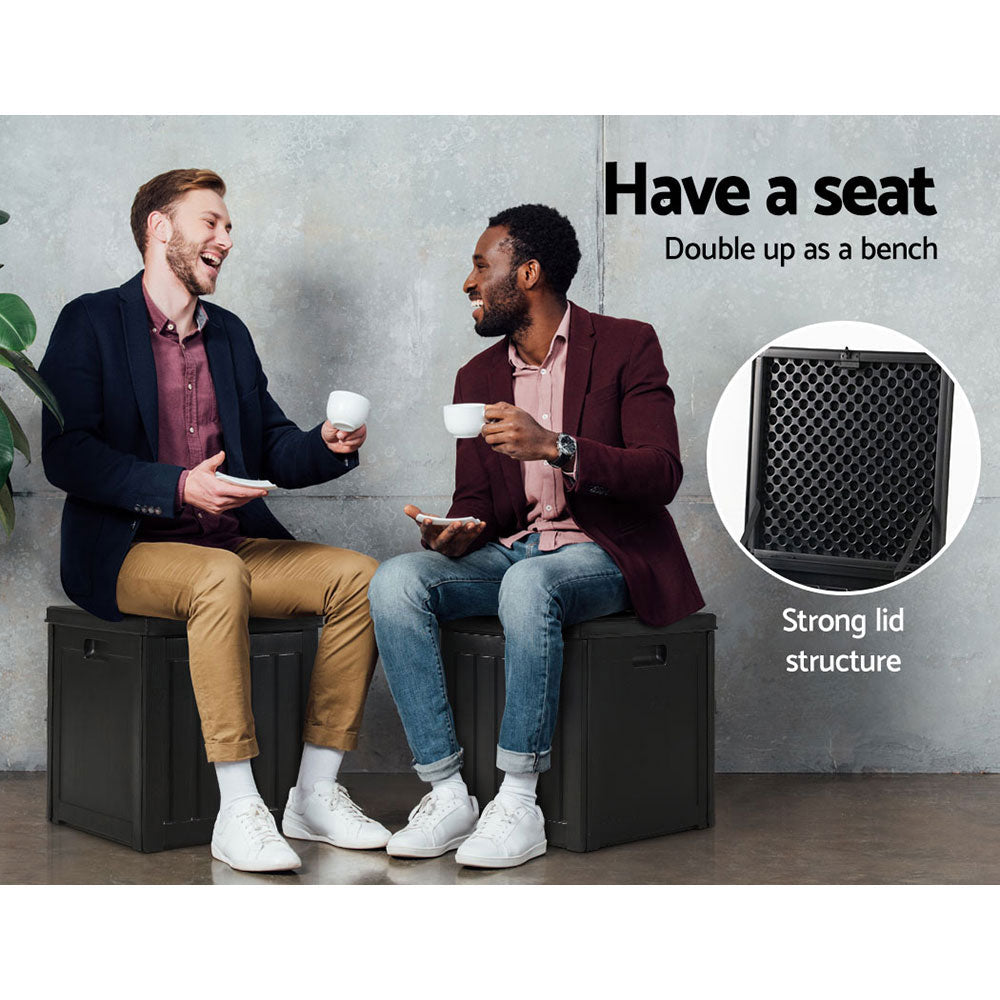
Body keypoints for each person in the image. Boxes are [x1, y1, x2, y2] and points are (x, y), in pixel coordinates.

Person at [40, 169, 389, 873]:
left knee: (361, 578)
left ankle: (314, 794)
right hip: (129, 550)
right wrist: (177, 488)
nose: (226, 239)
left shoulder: (227, 336)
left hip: (228, 548)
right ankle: (239, 806)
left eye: (229, 227)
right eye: (212, 223)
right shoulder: (91, 321)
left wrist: (323, 444)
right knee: (217, 576)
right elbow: (67, 453)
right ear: (159, 229)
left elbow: (271, 447)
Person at [368, 204, 704, 869]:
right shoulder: (478, 378)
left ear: (527, 273)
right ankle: (447, 793)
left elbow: (662, 472)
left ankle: (518, 800)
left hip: (605, 552)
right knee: (396, 581)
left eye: (480, 264)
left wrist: (558, 447)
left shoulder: (628, 344)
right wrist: (455, 530)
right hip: (516, 549)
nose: (468, 282)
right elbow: (478, 504)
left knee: (528, 583)